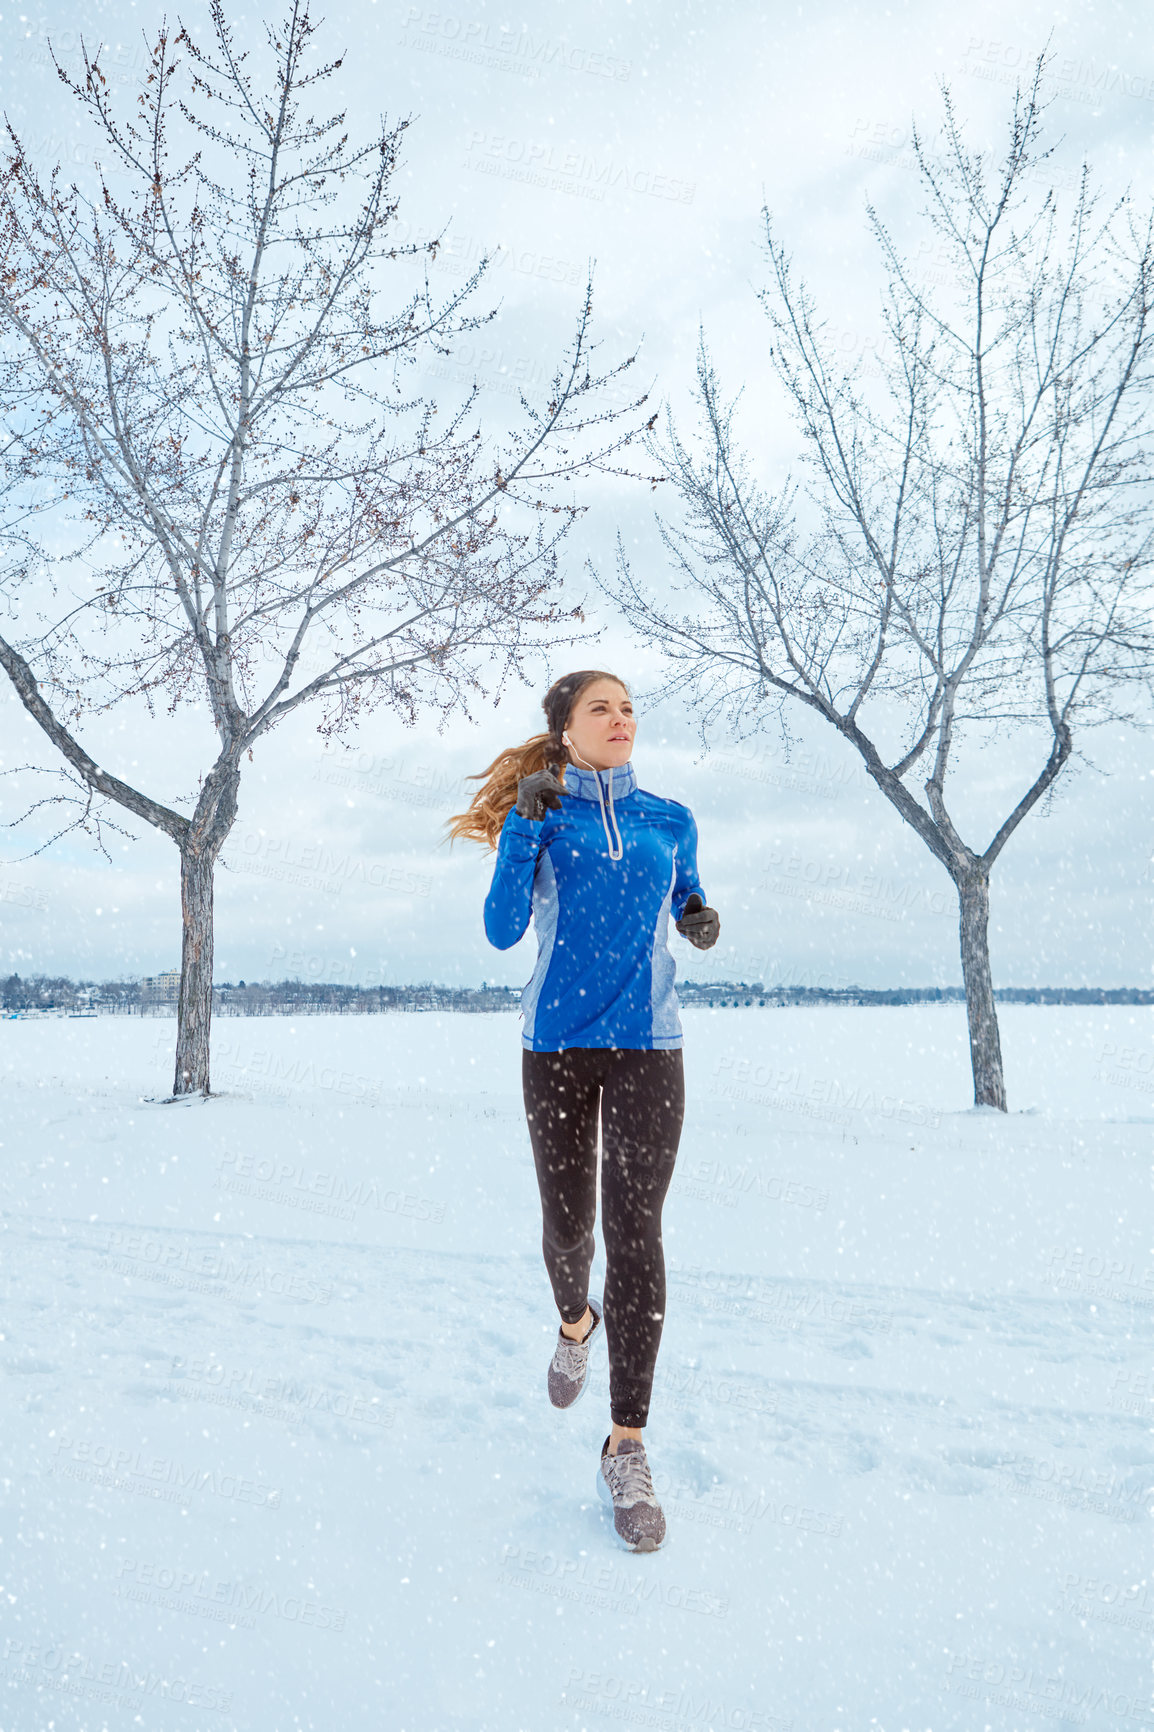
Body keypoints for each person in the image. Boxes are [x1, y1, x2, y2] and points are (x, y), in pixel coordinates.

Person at [446, 669, 720, 1551]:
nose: (622, 720)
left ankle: (627, 1442)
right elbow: (499, 930)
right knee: (569, 1229)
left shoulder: (667, 817)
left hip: (650, 1045)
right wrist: (523, 827)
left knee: (636, 1231)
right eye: (601, 708)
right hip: (557, 1045)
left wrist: (698, 912)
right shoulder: (542, 815)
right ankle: (575, 1323)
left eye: (630, 708)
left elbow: (684, 892)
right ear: (564, 730)